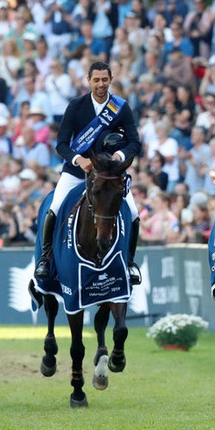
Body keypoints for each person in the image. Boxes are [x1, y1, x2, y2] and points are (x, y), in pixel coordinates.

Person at [34, 61, 143, 285]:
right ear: (89, 81)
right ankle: (46, 258)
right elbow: (61, 144)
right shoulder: (76, 105)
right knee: (54, 207)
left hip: (110, 174)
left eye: (104, 80)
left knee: (132, 213)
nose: (101, 84)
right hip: (76, 170)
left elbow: (135, 143)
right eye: (96, 80)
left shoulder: (120, 107)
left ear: (111, 79)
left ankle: (130, 263)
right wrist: (78, 159)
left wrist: (119, 157)